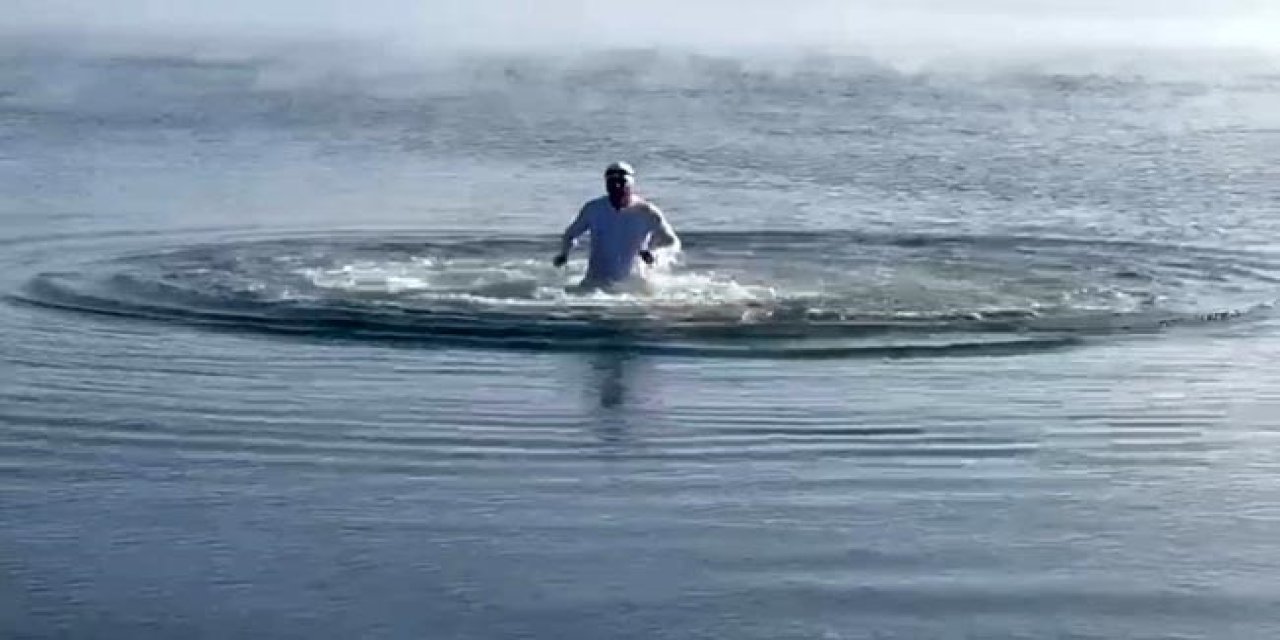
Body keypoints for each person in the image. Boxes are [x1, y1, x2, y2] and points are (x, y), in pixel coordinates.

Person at [553, 162, 681, 291]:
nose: (617, 186)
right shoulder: (594, 209)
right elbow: (570, 234)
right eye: (612, 183)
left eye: (621, 182)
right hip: (596, 281)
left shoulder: (647, 211)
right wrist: (564, 253)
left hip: (634, 283)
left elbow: (672, 242)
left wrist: (654, 253)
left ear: (631, 184)